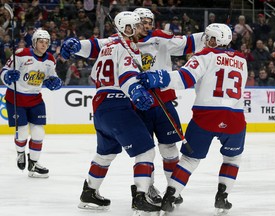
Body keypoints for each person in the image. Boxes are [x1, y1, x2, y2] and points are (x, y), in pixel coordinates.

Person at [137, 23, 248, 215]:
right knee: (233, 157)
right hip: (235, 118)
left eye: (209, 37)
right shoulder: (242, 60)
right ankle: (223, 197)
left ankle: (170, 197)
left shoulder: (204, 55)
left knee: (189, 160)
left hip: (206, 117)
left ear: (215, 40)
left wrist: (158, 78)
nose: (206, 40)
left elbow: (184, 78)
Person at [62, 11, 160, 214]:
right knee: (146, 151)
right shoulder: (127, 47)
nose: (141, 28)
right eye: (136, 25)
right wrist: (136, 91)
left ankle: (89, 193)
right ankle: (140, 198)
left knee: (105, 153)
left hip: (100, 106)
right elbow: (126, 75)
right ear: (128, 28)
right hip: (118, 104)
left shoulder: (109, 46)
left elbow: (94, 46)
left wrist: (77, 46)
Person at [133, 7, 205, 205]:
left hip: (163, 101)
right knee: (144, 151)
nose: (147, 26)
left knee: (170, 149)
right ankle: (147, 188)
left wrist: (209, 34)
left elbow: (188, 43)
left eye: (149, 21)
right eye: (142, 22)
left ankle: (173, 188)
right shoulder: (124, 43)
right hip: (138, 103)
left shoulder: (160, 39)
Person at [0, 29, 62, 178]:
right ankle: (20, 153)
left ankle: (33, 164)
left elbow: (51, 77)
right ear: (34, 42)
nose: (44, 44)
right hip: (16, 98)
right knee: (21, 133)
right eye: (41, 41)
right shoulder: (21, 54)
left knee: (39, 132)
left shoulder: (50, 60)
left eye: (47, 42)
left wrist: (55, 82)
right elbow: (4, 71)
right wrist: (8, 76)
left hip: (35, 98)